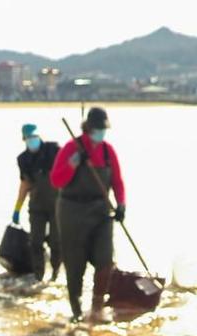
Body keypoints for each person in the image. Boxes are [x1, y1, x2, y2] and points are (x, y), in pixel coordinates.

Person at [49, 106, 127, 324]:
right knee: (75, 265)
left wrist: (121, 205)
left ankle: (96, 310)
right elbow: (56, 180)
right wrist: (74, 162)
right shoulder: (71, 148)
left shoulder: (107, 151)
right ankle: (75, 311)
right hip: (72, 212)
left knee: (105, 263)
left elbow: (118, 181)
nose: (101, 134)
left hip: (101, 212)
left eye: (104, 129)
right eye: (98, 129)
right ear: (88, 128)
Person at [11, 122, 62, 283]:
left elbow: (68, 169)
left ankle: (55, 273)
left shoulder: (54, 150)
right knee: (35, 242)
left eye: (35, 136)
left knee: (56, 242)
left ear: (39, 136)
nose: (32, 140)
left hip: (57, 206)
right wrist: (17, 209)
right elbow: (25, 184)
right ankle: (38, 276)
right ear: (24, 139)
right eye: (29, 138)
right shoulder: (23, 159)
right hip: (37, 206)